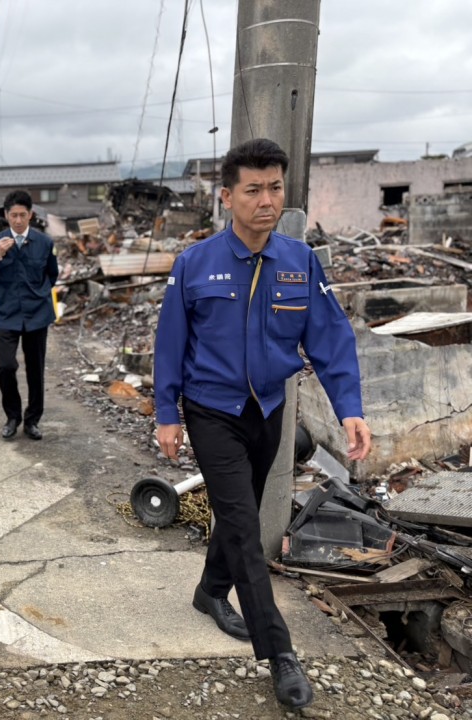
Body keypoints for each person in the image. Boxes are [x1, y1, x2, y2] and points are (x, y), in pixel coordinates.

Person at [153, 138, 372, 710]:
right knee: (246, 529)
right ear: (227, 197)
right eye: (253, 189)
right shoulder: (195, 265)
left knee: (236, 514)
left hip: (270, 410)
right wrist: (166, 413)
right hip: (211, 410)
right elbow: (170, 345)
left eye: (275, 187)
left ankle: (208, 592)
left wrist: (350, 408)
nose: (266, 200)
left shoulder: (300, 262)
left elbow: (330, 339)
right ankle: (281, 653)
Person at [0, 190, 58, 441]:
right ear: (6, 216)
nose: (19, 220)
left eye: (23, 215)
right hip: (7, 314)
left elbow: (51, 275)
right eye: (14, 215)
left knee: (36, 370)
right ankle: (12, 416)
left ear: (31, 215)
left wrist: (39, 293)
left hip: (37, 314)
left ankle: (32, 420)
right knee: (5, 366)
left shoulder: (44, 242)